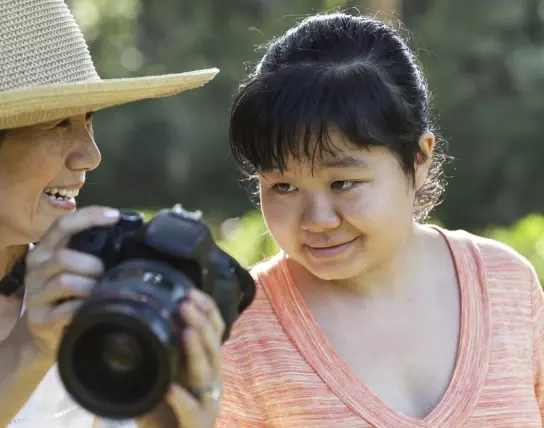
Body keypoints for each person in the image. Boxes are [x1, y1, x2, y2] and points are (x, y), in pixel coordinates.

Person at [0, 0, 225, 427]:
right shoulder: (54, 316)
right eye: (57, 123)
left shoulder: (101, 306)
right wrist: (29, 348)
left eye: (89, 119)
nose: (90, 156)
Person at [216, 12, 544, 427]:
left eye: (344, 183)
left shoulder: (507, 285)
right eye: (283, 187)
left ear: (419, 157)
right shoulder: (240, 328)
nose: (317, 220)